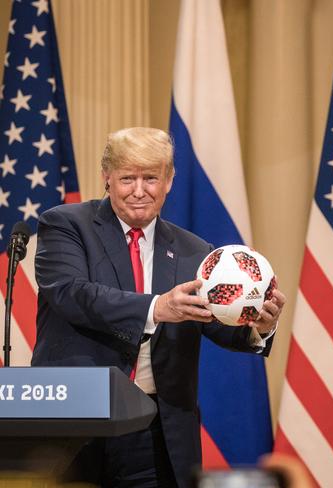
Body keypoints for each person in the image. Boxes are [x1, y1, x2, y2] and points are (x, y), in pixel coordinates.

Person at [31, 127, 286, 487]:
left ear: (169, 181)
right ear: (107, 178)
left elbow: (214, 323)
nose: (139, 190)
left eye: (150, 178)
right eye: (127, 178)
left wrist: (259, 325)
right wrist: (156, 307)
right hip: (75, 424)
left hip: (155, 434)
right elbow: (73, 295)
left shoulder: (196, 252)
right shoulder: (66, 225)